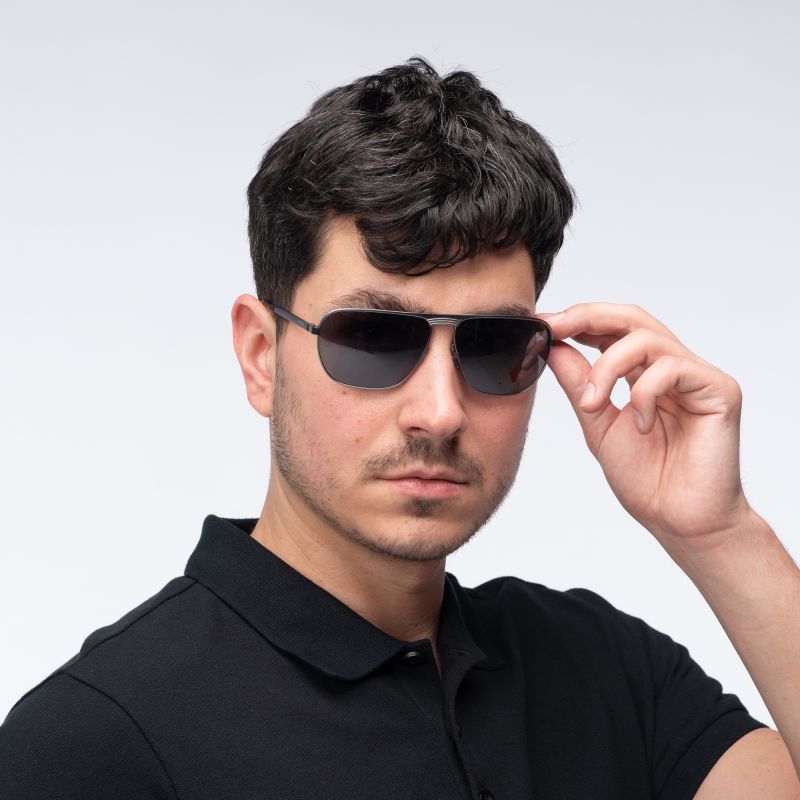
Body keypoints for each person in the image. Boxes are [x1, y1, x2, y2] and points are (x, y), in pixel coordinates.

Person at [1, 56, 798, 799]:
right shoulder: (94, 741)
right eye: (374, 339)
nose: (441, 412)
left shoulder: (601, 668)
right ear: (261, 356)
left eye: (492, 346)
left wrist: (721, 534)